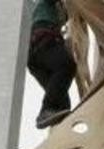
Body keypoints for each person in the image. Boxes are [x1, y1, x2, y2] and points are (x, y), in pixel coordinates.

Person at [28, 0, 76, 129]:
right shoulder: (46, 5)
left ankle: (62, 134)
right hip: (44, 43)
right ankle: (46, 110)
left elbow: (68, 14)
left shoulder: (53, 13)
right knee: (66, 65)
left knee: (63, 105)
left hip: (35, 59)